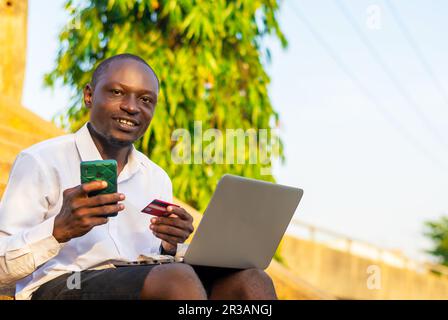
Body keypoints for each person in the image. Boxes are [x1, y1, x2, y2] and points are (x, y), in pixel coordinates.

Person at [0, 53, 277, 300]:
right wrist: (59, 230)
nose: (132, 107)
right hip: (62, 285)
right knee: (176, 279)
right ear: (89, 95)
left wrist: (168, 247)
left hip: (134, 282)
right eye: (118, 92)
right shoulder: (42, 161)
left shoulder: (156, 177)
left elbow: (145, 270)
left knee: (251, 280)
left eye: (145, 99)